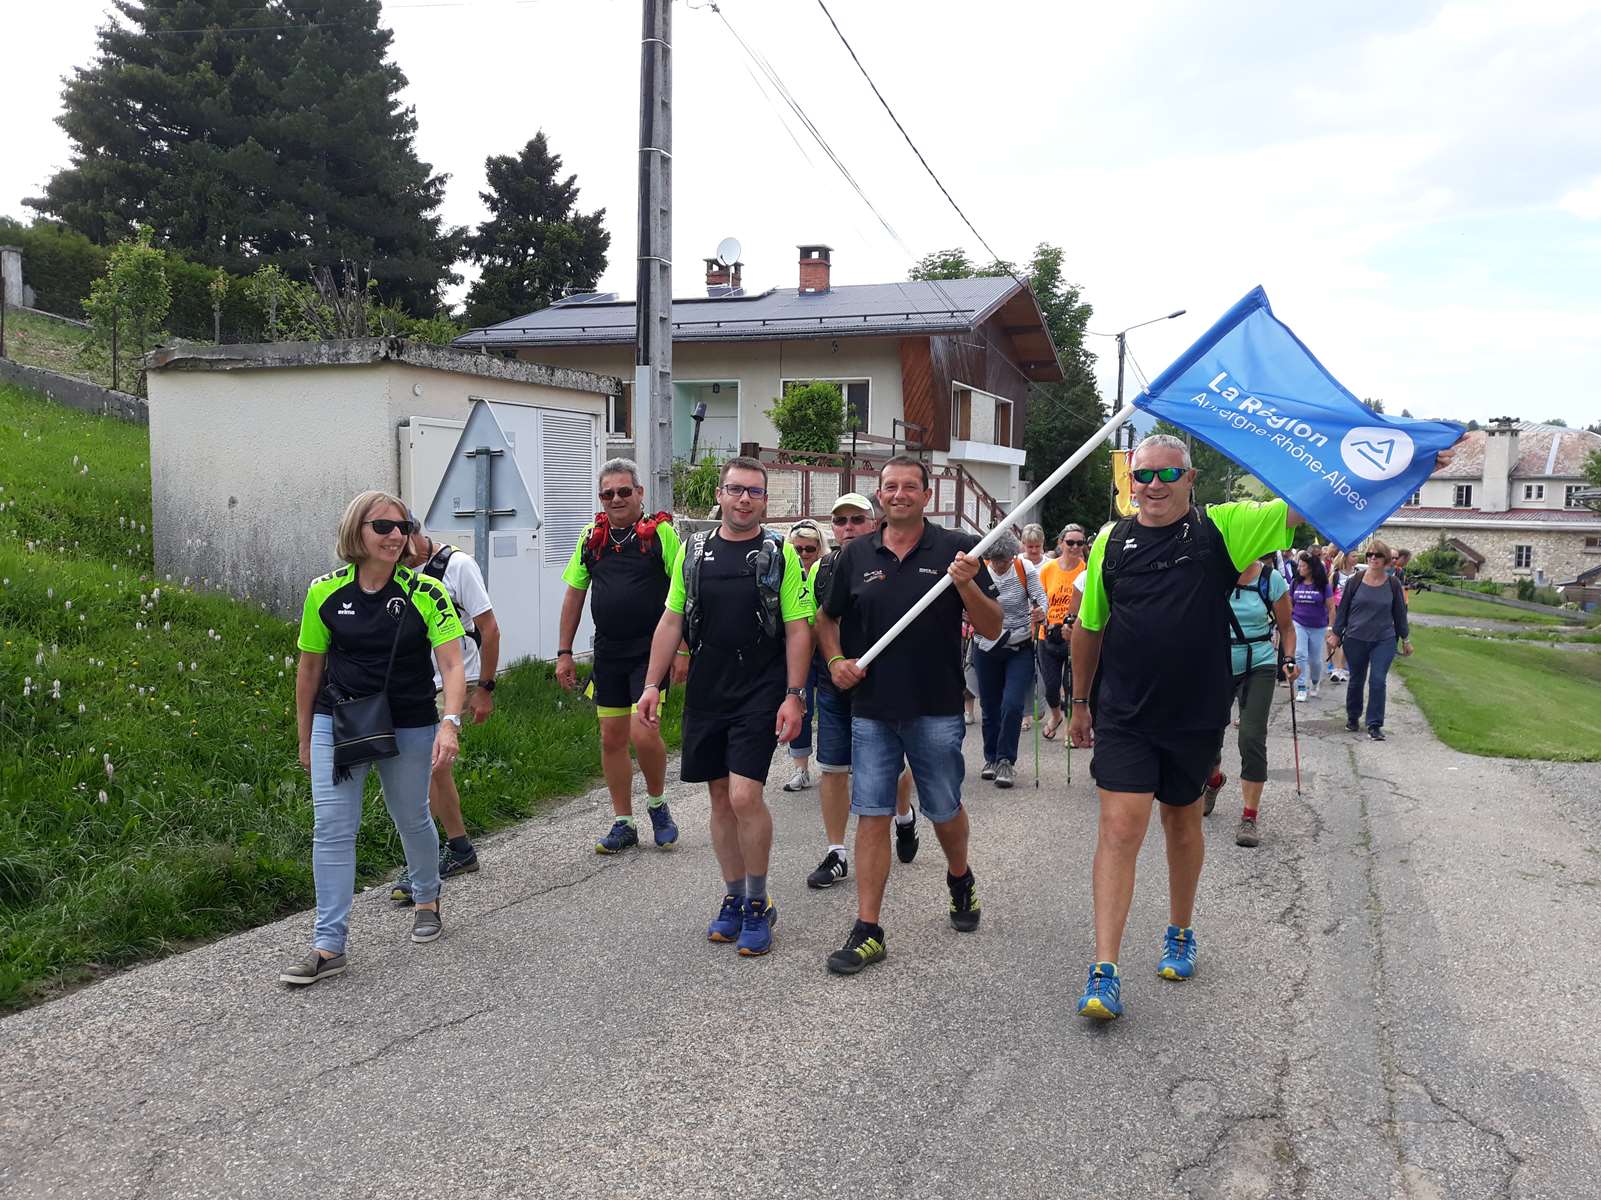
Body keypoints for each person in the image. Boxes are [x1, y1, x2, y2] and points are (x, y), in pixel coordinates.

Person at [1068, 435, 1302, 1020]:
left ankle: (1179, 930)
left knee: (1180, 823)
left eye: (1167, 474)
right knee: (1121, 828)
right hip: (1125, 713)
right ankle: (1105, 971)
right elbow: (1089, 626)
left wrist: (1404, 464)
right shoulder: (1111, 541)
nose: (1152, 486)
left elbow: (1304, 505)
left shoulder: (1222, 529)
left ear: (1190, 477)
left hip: (1194, 712)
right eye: (1141, 476)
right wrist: (1077, 701)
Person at [816, 456, 1003, 976]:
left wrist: (966, 585)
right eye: (890, 487)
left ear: (927, 495)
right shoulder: (856, 555)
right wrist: (834, 661)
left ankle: (960, 878)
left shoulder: (954, 549)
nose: (899, 494)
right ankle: (869, 928)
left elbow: (992, 627)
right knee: (872, 810)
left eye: (909, 487)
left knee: (943, 808)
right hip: (872, 708)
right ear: (879, 495)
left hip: (936, 706)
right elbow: (826, 618)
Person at [280, 491, 465, 986]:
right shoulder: (324, 593)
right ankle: (328, 945)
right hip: (338, 722)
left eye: (402, 526)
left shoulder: (426, 592)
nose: (395, 535)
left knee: (412, 816)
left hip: (407, 719)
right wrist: (304, 738)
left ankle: (427, 895)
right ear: (356, 532)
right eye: (382, 526)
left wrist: (450, 721)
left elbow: (451, 663)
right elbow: (309, 669)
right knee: (333, 829)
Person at [637, 457, 813, 957]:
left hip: (761, 686)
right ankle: (734, 896)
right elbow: (672, 621)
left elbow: (799, 628)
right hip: (709, 687)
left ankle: (758, 902)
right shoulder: (693, 552)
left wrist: (794, 695)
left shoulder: (779, 554)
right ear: (719, 494)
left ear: (764, 501)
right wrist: (652, 684)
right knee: (718, 797)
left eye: (754, 493)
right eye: (735, 490)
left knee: (743, 797)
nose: (743, 499)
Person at [556, 458, 682, 855]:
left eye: (624, 491)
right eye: (607, 493)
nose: (616, 499)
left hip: (651, 651)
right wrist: (564, 653)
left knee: (643, 732)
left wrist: (683, 648)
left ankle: (658, 804)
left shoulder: (661, 534)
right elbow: (574, 595)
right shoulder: (591, 537)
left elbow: (684, 594)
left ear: (640, 493)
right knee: (611, 737)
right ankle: (623, 822)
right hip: (608, 651)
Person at [805, 494, 920, 890]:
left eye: (857, 519)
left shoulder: (889, 563)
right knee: (833, 768)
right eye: (840, 522)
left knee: (892, 768)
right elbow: (814, 622)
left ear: (875, 523)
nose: (848, 528)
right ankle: (837, 852)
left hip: (881, 684)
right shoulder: (822, 569)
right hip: (834, 682)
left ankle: (904, 816)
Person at [389, 516, 501, 903]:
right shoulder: (393, 570)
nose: (400, 553)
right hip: (414, 682)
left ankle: (435, 856)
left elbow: (490, 628)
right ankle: (458, 848)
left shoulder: (458, 566)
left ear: (417, 535)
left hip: (455, 678)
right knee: (428, 769)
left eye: (404, 543)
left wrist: (485, 687)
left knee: (430, 766)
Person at [1215, 555, 1296, 849]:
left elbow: (1287, 628)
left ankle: (1249, 816)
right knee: (1209, 733)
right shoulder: (1214, 572)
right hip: (1217, 663)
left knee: (1251, 736)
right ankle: (1212, 780)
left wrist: (1288, 658)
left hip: (1258, 664)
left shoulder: (1270, 580)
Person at [970, 531, 1047, 789]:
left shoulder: (1023, 568)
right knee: (990, 707)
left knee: (1012, 705)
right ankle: (990, 758)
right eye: (995, 560)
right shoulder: (981, 572)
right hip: (986, 646)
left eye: (1005, 559)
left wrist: (1040, 612)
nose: (1001, 565)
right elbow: (966, 603)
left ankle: (1006, 760)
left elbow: (1040, 599)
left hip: (1019, 646)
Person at [1327, 540, 1411, 741]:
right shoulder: (1355, 581)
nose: (1373, 558)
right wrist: (1336, 633)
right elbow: (1343, 610)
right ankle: (1353, 717)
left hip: (1384, 639)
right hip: (1356, 638)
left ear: (1385, 560)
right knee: (1356, 679)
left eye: (1378, 555)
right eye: (1370, 555)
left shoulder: (1393, 584)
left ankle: (1374, 724)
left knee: (1378, 680)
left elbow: (1400, 614)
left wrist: (1406, 639)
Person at [781, 520, 828, 794]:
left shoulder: (827, 569)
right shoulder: (785, 571)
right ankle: (800, 769)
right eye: (797, 549)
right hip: (798, 650)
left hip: (825, 648)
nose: (803, 554)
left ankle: (838, 762)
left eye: (809, 549)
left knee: (829, 706)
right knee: (800, 704)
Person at [1036, 524, 1088, 741]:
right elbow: (1039, 598)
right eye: (1070, 542)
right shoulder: (1048, 569)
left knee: (1071, 686)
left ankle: (1069, 727)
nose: (1075, 547)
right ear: (1060, 543)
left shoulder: (1086, 570)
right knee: (1050, 686)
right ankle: (1055, 715)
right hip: (1047, 634)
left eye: (1079, 543)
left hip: (1073, 636)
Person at [1289, 551, 1335, 702]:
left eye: (1302, 566)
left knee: (1315, 660)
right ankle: (1301, 687)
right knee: (1300, 654)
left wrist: (1330, 628)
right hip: (1298, 622)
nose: (1299, 568)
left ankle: (1315, 681)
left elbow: (1331, 607)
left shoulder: (1323, 585)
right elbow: (1289, 603)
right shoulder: (1295, 583)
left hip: (1318, 626)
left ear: (1310, 568)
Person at [1018, 523, 1049, 731]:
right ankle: (1025, 714)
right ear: (1023, 545)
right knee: (1025, 670)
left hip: (1044, 621)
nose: (1034, 551)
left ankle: (1044, 702)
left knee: (1044, 669)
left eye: (1037, 546)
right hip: (1021, 623)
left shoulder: (1049, 565)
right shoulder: (1017, 564)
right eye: (1029, 547)